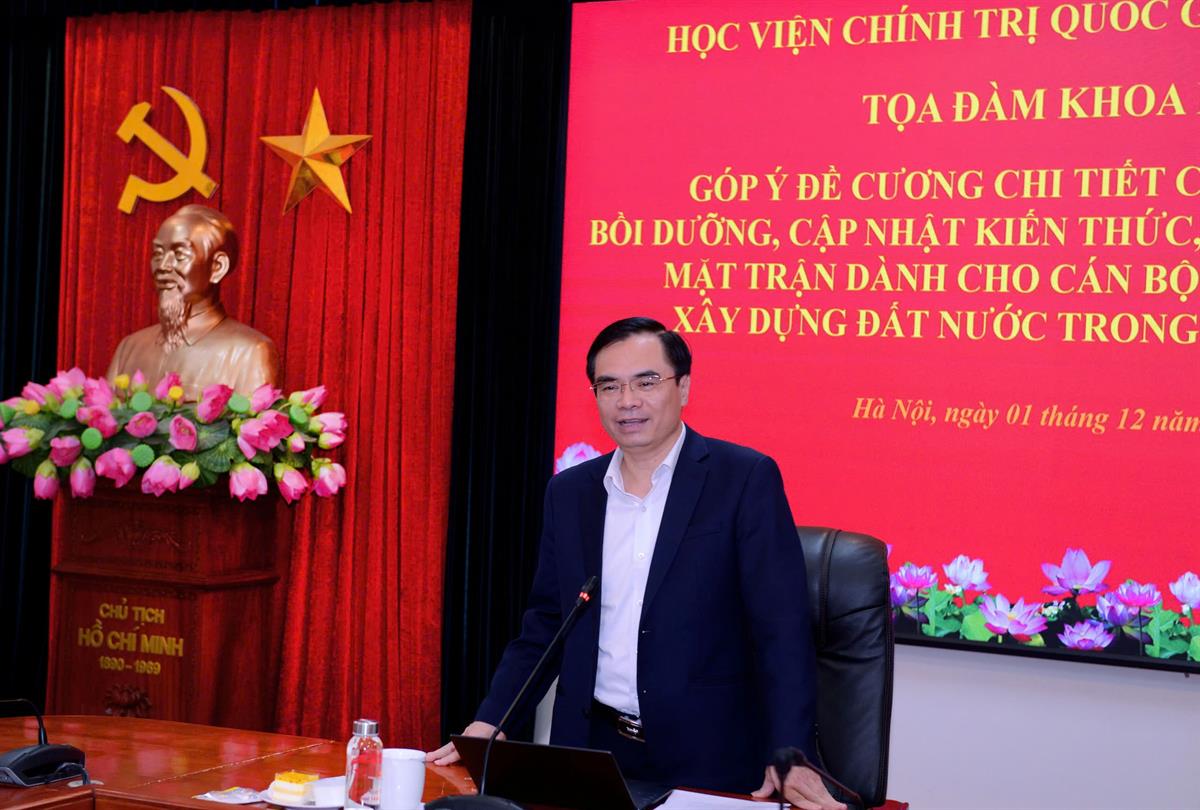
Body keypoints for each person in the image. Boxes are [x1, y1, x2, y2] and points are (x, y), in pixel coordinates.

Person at [428, 317, 845, 810]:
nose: (627, 401)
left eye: (646, 382)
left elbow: (781, 629)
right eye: (610, 386)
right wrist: (492, 721)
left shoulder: (744, 479)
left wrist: (792, 752)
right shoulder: (570, 493)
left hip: (709, 755)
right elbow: (547, 624)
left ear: (683, 387)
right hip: (590, 750)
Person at [106, 204, 279, 399]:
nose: (163, 266)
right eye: (158, 254)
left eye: (180, 255)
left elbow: (252, 417)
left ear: (217, 267)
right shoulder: (129, 348)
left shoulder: (249, 353)